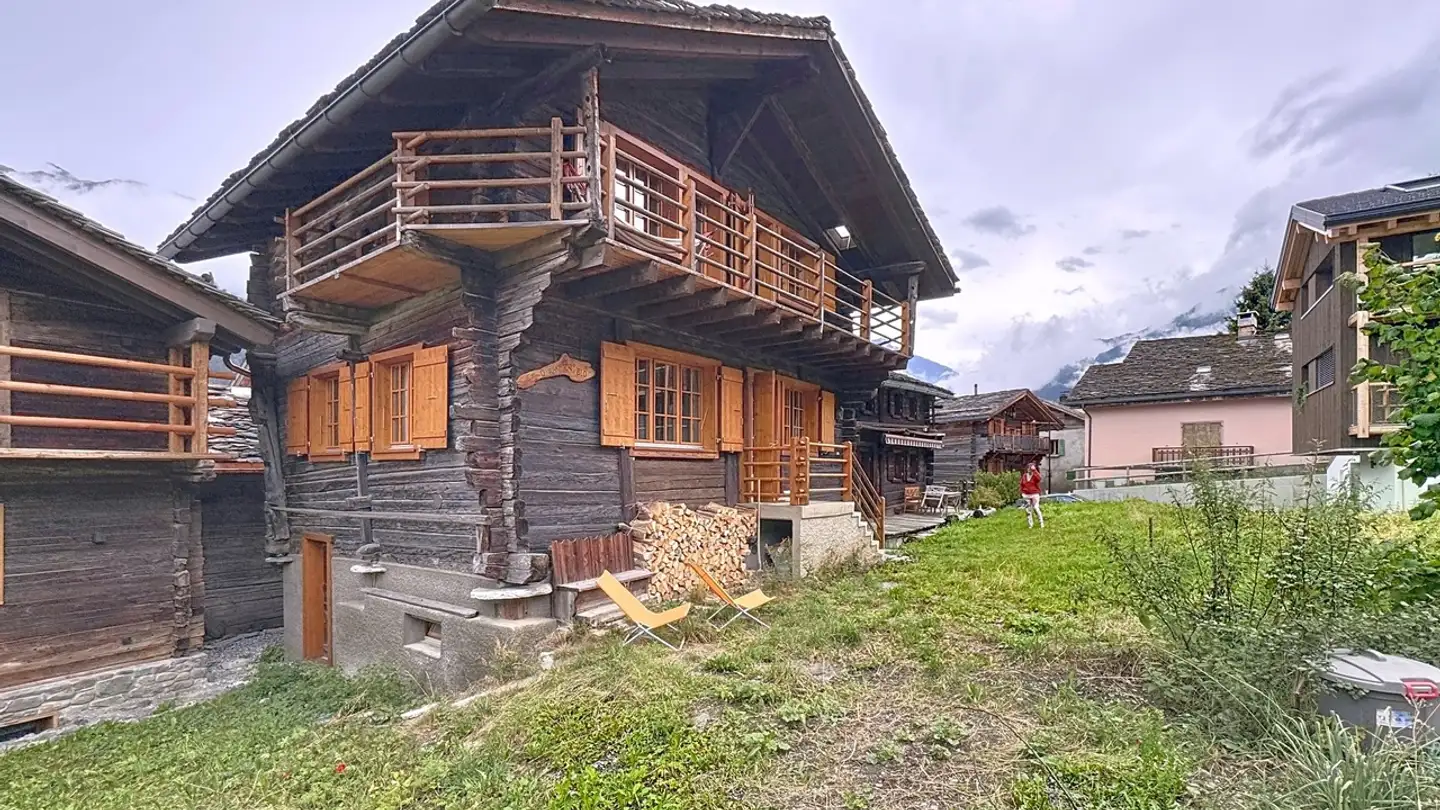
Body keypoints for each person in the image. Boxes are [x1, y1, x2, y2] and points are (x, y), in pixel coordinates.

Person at [1020, 462, 1044, 528]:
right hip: (1026, 495)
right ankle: (1030, 525)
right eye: (1028, 468)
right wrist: (1022, 492)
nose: (1029, 469)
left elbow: (1039, 478)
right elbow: (1021, 484)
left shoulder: (1035, 475)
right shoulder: (1024, 476)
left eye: (1030, 468)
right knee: (1028, 510)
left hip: (1035, 494)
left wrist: (1034, 470)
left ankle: (1041, 523)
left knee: (1036, 508)